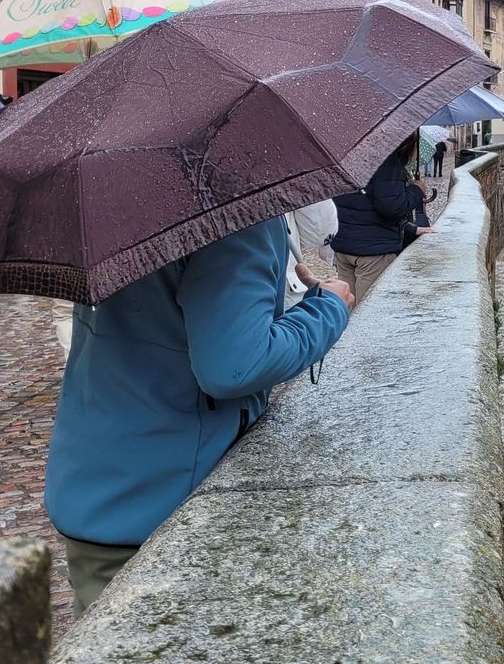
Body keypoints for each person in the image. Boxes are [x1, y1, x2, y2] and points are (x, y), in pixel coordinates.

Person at [45, 217, 354, 614]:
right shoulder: (232, 213)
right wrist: (326, 312)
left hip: (95, 482)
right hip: (161, 499)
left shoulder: (123, 202)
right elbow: (235, 366)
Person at [332, 137, 431, 301]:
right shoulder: (384, 157)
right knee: (368, 315)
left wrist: (411, 229)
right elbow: (392, 206)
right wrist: (417, 190)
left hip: (344, 245)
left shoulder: (348, 149)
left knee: (347, 312)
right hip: (373, 252)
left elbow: (363, 204)